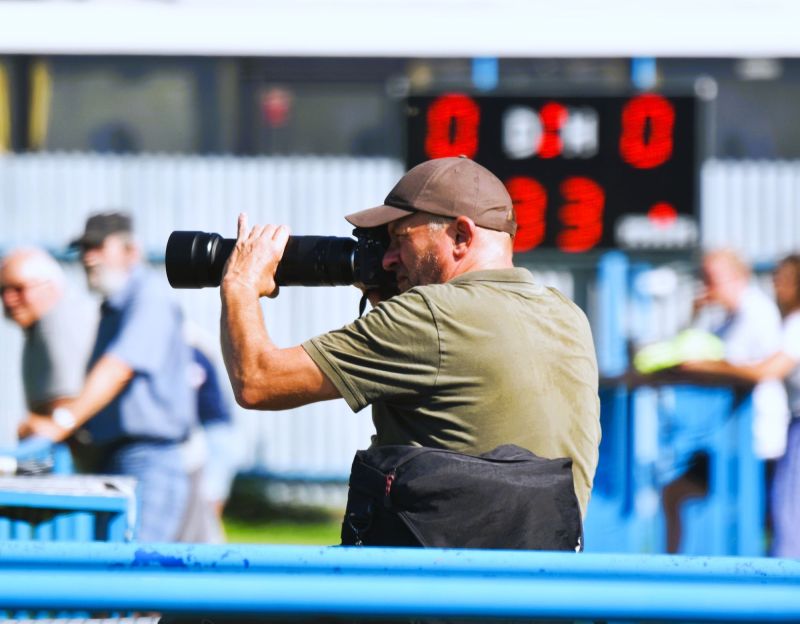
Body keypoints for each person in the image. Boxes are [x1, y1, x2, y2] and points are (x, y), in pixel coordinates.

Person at [218, 156, 601, 531]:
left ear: (462, 236)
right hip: (545, 575)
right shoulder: (567, 316)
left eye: (400, 239)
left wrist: (240, 283)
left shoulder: (428, 315)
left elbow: (258, 381)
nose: (387, 259)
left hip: (432, 584)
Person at [18, 211, 195, 543]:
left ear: (132, 251)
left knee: (134, 577)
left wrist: (61, 421)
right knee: (112, 576)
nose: (88, 257)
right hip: (116, 458)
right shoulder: (113, 306)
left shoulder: (149, 297)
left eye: (98, 246)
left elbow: (118, 369)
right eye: (84, 248)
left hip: (149, 460)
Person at [661, 248, 788, 553]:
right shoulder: (726, 318)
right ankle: (671, 571)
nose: (705, 286)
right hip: (732, 438)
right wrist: (694, 316)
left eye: (711, 279)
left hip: (760, 438)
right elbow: (692, 348)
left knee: (772, 519)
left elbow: (756, 369)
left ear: (737, 277)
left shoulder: (757, 312)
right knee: (675, 493)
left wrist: (706, 366)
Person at [1, 247, 97, 442]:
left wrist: (41, 426)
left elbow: (67, 402)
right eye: (3, 290)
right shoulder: (38, 326)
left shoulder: (59, 320)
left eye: (19, 289)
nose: (9, 299)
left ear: (50, 288)